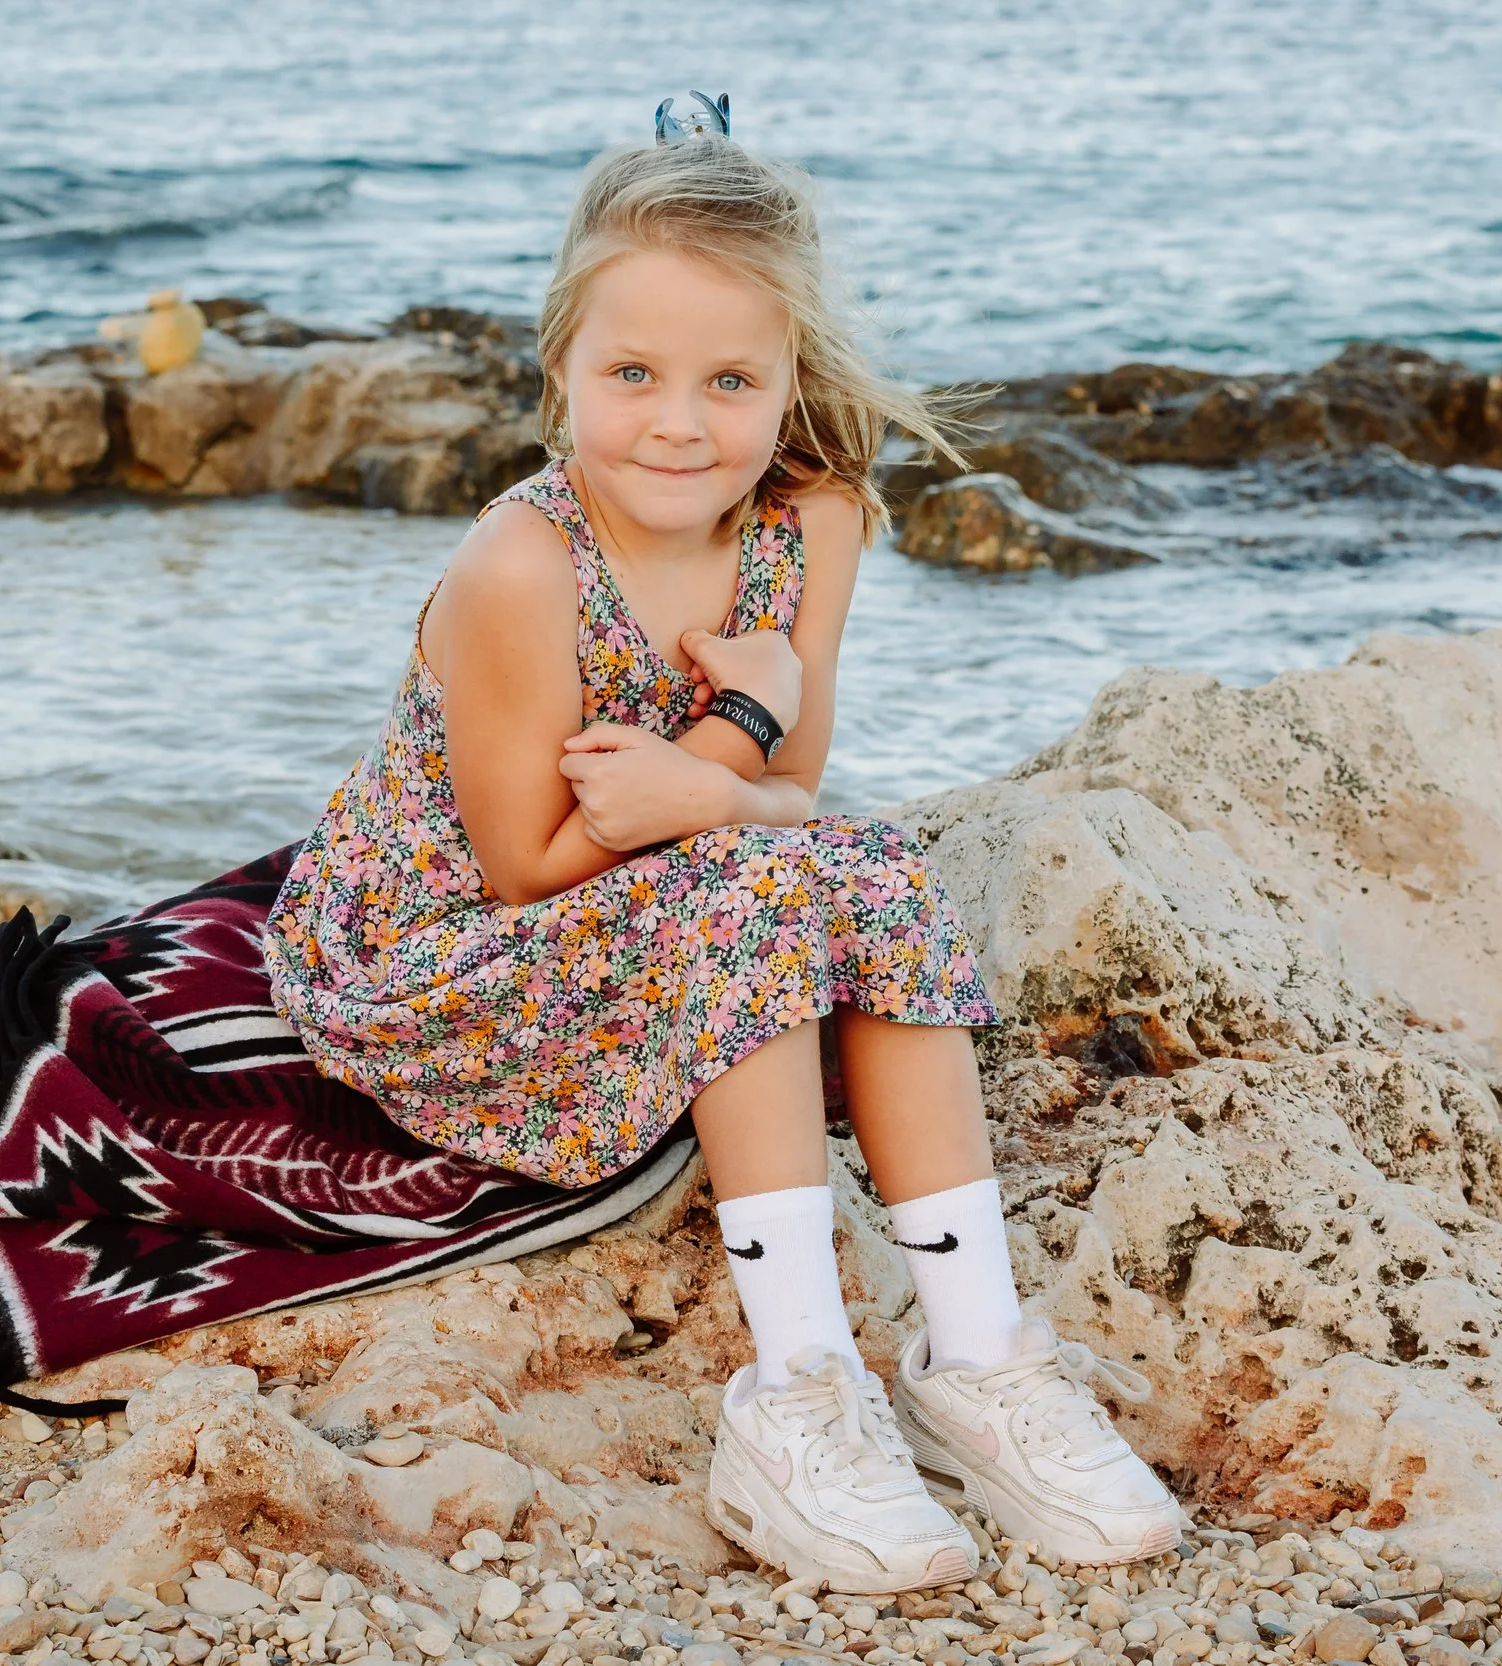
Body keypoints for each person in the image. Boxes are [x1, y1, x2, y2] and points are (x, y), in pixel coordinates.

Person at [260, 100, 1184, 1593]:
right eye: (632, 373)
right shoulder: (521, 562)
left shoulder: (815, 520)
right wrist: (733, 772)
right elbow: (524, 863)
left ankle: (980, 1363)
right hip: (449, 952)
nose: (679, 421)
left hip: (670, 866)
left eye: (729, 379)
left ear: (789, 381)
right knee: (752, 891)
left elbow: (798, 787)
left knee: (873, 870)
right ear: (558, 368)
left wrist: (723, 764)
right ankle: (799, 1390)